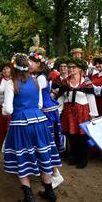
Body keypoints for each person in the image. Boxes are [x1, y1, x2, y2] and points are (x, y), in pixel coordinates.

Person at [2, 53, 61, 202]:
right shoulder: (35, 81)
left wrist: (6, 111)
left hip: (21, 123)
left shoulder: (11, 83)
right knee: (42, 154)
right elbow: (40, 104)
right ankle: (49, 192)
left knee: (22, 157)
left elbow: (8, 109)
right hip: (40, 121)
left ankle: (29, 198)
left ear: (13, 67)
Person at [29, 49, 64, 189]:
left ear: (39, 63)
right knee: (43, 142)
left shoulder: (41, 78)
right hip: (45, 111)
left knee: (46, 143)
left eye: (32, 62)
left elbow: (38, 98)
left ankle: (56, 173)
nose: (30, 64)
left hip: (46, 113)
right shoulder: (38, 75)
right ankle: (47, 169)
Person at [59, 58, 98, 168]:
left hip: (82, 112)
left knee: (82, 137)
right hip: (69, 111)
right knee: (71, 136)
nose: (70, 69)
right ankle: (74, 157)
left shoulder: (86, 82)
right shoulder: (65, 81)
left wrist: (93, 114)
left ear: (80, 69)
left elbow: (91, 98)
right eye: (69, 67)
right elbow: (61, 97)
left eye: (73, 67)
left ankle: (83, 159)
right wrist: (58, 111)